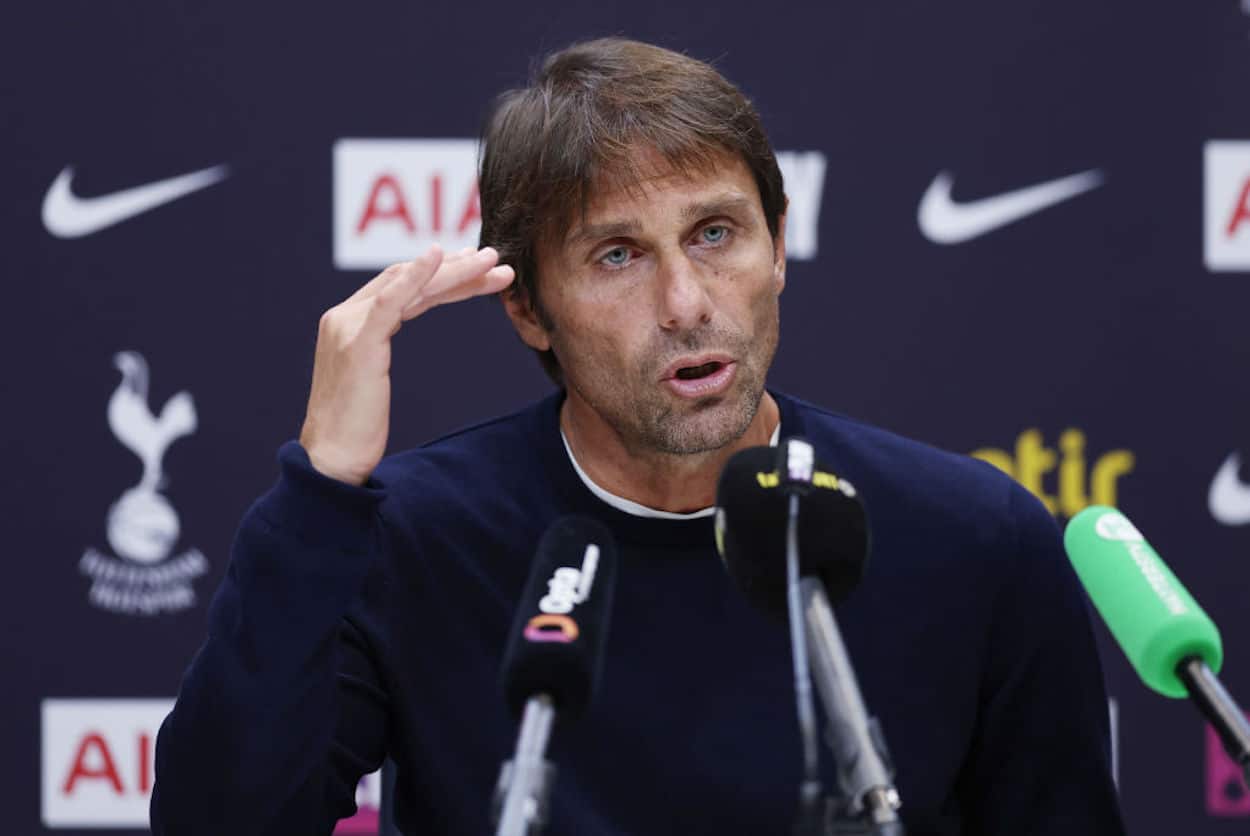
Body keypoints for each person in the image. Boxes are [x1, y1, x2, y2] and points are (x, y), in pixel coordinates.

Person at [151, 38, 1125, 835]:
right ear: (528, 306)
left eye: (713, 233)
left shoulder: (975, 537)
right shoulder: (412, 536)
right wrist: (320, 487)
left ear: (777, 247)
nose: (683, 302)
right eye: (616, 254)